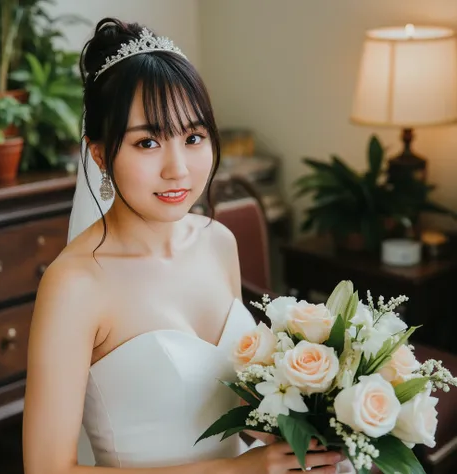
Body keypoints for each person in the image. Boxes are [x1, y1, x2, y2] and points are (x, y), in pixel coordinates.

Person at [22, 18, 346, 474]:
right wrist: (241, 471)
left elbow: (234, 400)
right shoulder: (74, 285)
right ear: (99, 154)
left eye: (193, 137)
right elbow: (46, 470)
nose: (178, 169)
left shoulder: (218, 242)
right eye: (148, 141)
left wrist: (307, 433)